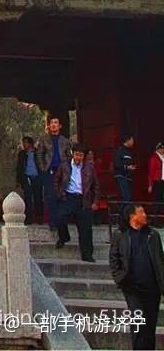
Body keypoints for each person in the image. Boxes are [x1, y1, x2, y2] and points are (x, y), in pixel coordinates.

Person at [109, 203, 164, 350]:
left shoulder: (153, 235)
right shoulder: (120, 235)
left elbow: (160, 259)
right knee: (138, 325)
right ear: (132, 216)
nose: (145, 215)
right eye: (141, 212)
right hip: (132, 288)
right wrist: (119, 278)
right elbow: (114, 259)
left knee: (150, 328)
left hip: (153, 288)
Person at [55, 143, 100, 261]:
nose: (78, 158)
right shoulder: (64, 165)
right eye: (76, 155)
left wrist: (95, 201)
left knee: (85, 229)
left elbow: (96, 186)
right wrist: (59, 193)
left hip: (83, 199)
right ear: (72, 154)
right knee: (59, 218)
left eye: (81, 155)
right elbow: (57, 180)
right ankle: (64, 237)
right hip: (68, 197)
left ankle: (87, 255)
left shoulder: (89, 168)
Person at [36, 116, 72, 231]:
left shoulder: (65, 141)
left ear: (60, 126)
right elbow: (39, 155)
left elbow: (69, 156)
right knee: (51, 197)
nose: (53, 125)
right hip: (49, 170)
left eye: (56, 122)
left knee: (62, 196)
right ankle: (53, 223)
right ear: (49, 126)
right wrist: (43, 168)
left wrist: (67, 169)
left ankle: (62, 223)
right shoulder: (44, 140)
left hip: (62, 172)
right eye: (52, 123)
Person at [16, 136, 43, 225]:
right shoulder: (22, 154)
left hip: (37, 177)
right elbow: (19, 167)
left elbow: (42, 164)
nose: (24, 144)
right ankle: (29, 218)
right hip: (26, 177)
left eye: (26, 142)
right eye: (23, 143)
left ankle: (39, 218)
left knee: (38, 197)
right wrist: (18, 180)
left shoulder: (37, 152)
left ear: (30, 144)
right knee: (28, 198)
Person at [114, 134, 137, 204]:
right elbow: (117, 164)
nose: (133, 142)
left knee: (129, 197)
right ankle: (122, 210)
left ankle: (124, 210)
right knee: (126, 197)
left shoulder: (129, 152)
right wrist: (127, 167)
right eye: (132, 140)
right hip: (121, 176)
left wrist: (132, 167)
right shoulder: (120, 150)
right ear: (127, 140)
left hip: (128, 177)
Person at [147, 141, 164, 211]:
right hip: (157, 180)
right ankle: (156, 214)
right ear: (158, 149)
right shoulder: (154, 158)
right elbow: (151, 172)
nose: (163, 150)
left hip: (163, 180)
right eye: (162, 148)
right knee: (158, 198)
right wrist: (150, 185)